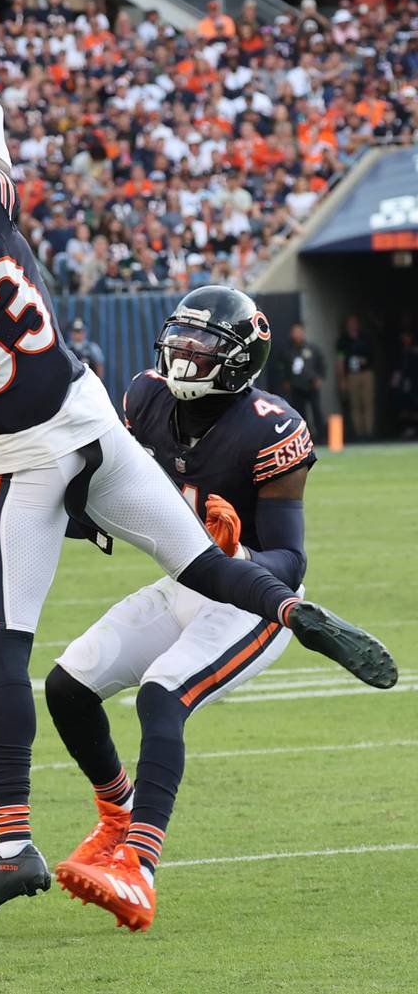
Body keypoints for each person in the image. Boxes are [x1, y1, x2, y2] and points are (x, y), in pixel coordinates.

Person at [0, 26, 396, 931]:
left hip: (21, 456)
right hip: (91, 416)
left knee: (7, 653)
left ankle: (16, 844)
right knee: (204, 568)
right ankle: (289, 619)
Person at [45, 291, 327, 931]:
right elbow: (90, 493)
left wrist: (242, 553)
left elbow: (291, 558)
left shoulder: (269, 424)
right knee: (67, 686)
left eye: (202, 348)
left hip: (255, 604)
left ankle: (138, 869)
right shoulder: (144, 397)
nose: (183, 355)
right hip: (184, 585)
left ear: (238, 361)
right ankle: (118, 815)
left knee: (161, 693)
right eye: (180, 340)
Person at [280, 323, 325, 442]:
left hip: (311, 385)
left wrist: (320, 378)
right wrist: (286, 381)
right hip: (296, 386)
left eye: (299, 332)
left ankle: (321, 436)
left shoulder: (312, 348)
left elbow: (321, 364)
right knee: (300, 413)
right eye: (295, 332)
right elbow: (283, 367)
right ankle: (306, 438)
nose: (297, 335)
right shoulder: (288, 350)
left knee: (316, 411)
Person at [336, 315, 375, 439]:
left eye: (355, 322)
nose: (353, 325)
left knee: (367, 402)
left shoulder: (365, 337)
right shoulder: (343, 340)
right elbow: (340, 359)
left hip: (366, 373)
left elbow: (372, 355)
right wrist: (342, 378)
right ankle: (359, 433)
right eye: (350, 323)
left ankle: (369, 432)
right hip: (352, 375)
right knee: (355, 404)